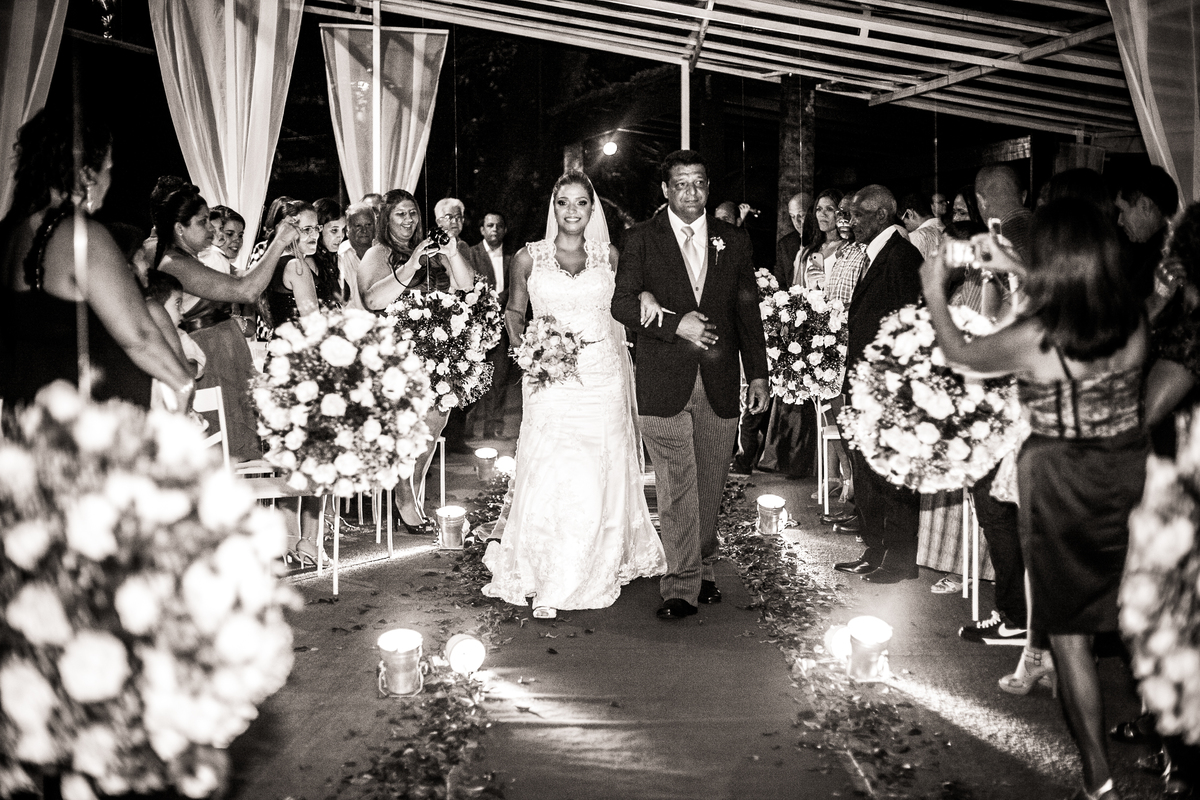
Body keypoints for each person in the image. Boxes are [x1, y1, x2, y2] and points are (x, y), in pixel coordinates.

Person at [921, 197, 1147, 800]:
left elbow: (961, 354)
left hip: (1059, 482)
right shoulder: (1131, 319)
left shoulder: (1036, 337)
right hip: (1127, 473)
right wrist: (1018, 268)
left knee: (1070, 635)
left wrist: (936, 291)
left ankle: (1098, 776)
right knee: (1138, 616)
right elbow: (1071, 293)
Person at [483, 171, 667, 618]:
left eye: (580, 203)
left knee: (597, 467)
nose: (571, 211)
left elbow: (625, 305)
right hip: (548, 380)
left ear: (592, 208)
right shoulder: (528, 257)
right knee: (550, 465)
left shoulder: (610, 256)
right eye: (563, 202)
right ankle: (545, 566)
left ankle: (591, 562)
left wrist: (643, 292)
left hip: (602, 376)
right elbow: (514, 311)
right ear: (553, 205)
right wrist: (528, 351)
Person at [612, 150, 770, 620]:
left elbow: (747, 309)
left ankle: (700, 566)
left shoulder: (734, 240)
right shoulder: (641, 238)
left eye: (698, 183)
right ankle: (680, 586)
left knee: (710, 482)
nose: (690, 192)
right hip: (663, 381)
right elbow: (622, 305)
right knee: (677, 482)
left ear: (708, 188)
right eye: (680, 184)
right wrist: (674, 324)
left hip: (720, 382)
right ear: (665, 190)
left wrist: (758, 373)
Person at [0, 104, 192, 411]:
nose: (108, 180)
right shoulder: (78, 236)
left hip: (29, 417)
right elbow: (139, 336)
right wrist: (182, 385)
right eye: (108, 168)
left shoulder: (12, 233)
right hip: (88, 425)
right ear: (88, 173)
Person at [361, 189, 477, 533]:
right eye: (400, 214)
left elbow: (466, 285)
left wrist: (451, 251)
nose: (408, 220)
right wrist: (411, 264)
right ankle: (405, 500)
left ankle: (409, 491)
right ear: (386, 219)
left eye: (412, 213)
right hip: (394, 358)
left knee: (433, 427)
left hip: (435, 354)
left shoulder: (431, 250)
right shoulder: (377, 253)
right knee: (410, 430)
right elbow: (371, 299)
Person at [155, 184, 295, 460]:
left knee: (240, 445)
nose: (212, 229)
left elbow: (247, 278)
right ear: (179, 228)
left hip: (224, 347)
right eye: (202, 222)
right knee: (224, 450)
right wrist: (278, 243)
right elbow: (245, 290)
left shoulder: (194, 259)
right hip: (208, 355)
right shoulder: (174, 263)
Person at [833, 185, 925, 582]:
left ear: (882, 216)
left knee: (892, 472)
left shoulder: (902, 258)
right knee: (868, 471)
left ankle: (901, 558)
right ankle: (875, 548)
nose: (850, 223)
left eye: (858, 215)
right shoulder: (874, 256)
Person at [431, 197, 476, 456]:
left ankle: (456, 438)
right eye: (450, 217)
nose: (455, 221)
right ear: (438, 221)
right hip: (439, 320)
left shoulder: (465, 247)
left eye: (459, 216)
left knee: (462, 385)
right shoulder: (432, 247)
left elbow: (472, 281)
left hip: (464, 320)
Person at [464, 210, 515, 439]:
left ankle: (493, 428)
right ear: (482, 229)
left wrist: (500, 300)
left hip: (502, 325)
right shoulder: (471, 254)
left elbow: (517, 288)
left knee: (499, 377)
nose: (494, 229)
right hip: (475, 324)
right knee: (473, 376)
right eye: (490, 225)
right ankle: (465, 429)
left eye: (498, 225)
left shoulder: (512, 258)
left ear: (504, 230)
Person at [1116, 164, 1179, 305]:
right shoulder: (1158, 251)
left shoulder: (1162, 261)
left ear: (1145, 206)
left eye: (1122, 210)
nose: (1119, 221)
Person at [339, 201, 376, 309]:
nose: (364, 230)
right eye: (358, 225)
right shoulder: (340, 255)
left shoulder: (384, 252)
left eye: (368, 224)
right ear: (347, 230)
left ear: (375, 226)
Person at [313, 197, 348, 308]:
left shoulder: (333, 258)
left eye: (343, 230)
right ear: (318, 228)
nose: (341, 236)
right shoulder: (309, 262)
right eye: (334, 230)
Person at [775, 191, 814, 289]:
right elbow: (779, 281)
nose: (797, 222)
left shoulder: (823, 240)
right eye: (792, 216)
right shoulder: (785, 244)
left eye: (801, 215)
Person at [899, 193, 945, 263]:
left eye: (903, 220)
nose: (905, 225)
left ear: (909, 213)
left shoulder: (915, 237)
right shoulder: (947, 230)